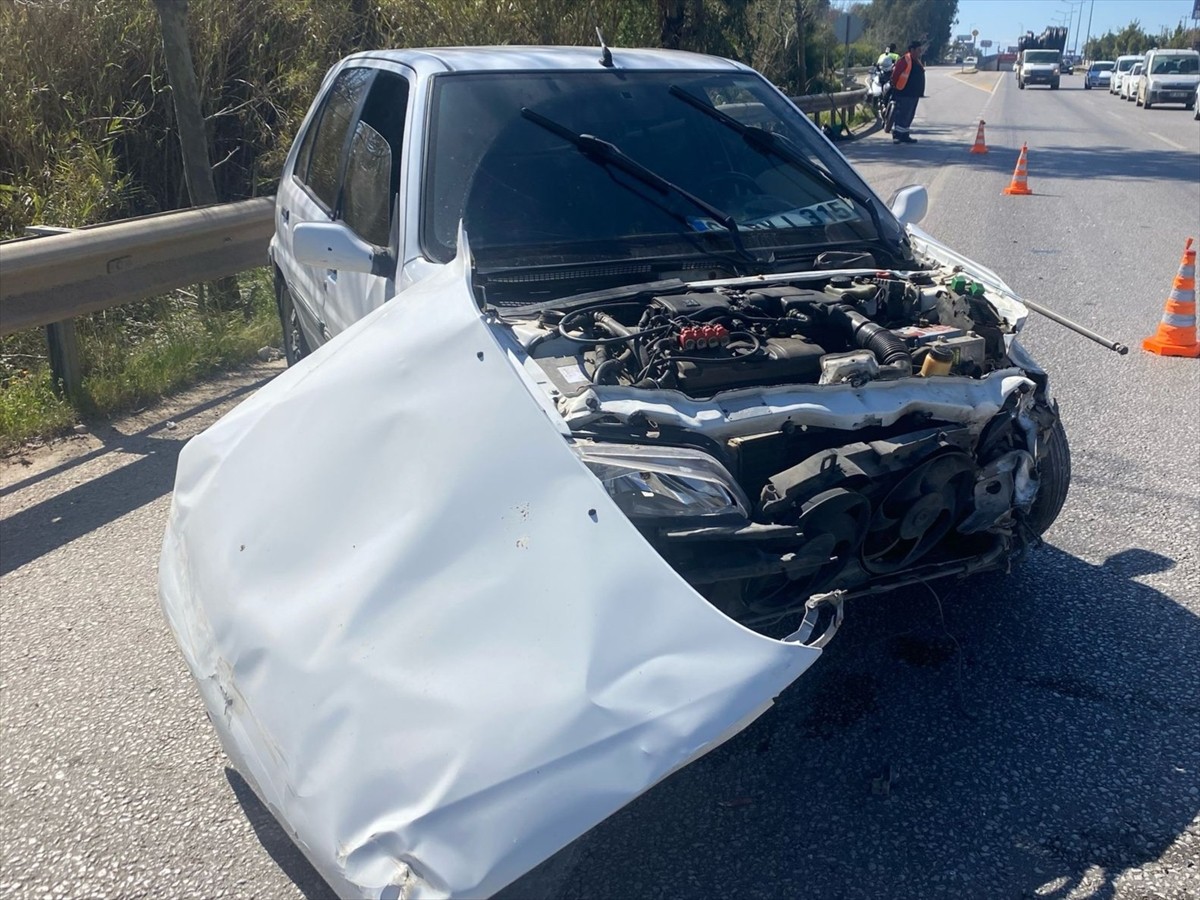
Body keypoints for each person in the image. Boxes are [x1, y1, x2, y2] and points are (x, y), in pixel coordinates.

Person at [888, 39, 925, 144]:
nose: (919, 52)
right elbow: (895, 75)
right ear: (912, 50)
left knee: (909, 115)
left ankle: (904, 135)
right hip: (904, 93)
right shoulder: (904, 60)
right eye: (918, 50)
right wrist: (895, 87)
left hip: (913, 94)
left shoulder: (917, 61)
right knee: (901, 115)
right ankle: (897, 135)